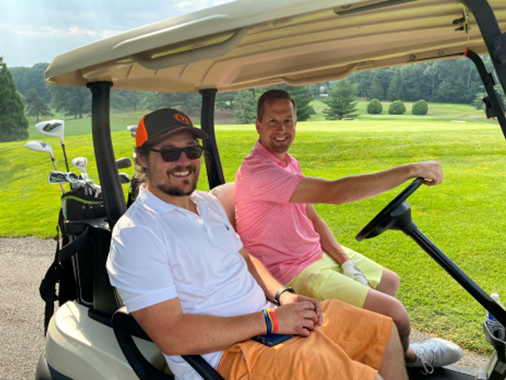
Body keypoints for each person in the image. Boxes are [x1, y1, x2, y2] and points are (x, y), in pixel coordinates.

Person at [106, 108, 409, 380]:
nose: (184, 162)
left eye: (191, 150)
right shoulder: (136, 234)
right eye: (170, 153)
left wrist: (284, 295)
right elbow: (173, 336)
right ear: (142, 158)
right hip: (232, 356)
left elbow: (245, 258)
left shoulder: (206, 205)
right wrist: (270, 320)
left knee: (384, 332)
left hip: (270, 324)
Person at [234, 90, 462, 374]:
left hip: (313, 255)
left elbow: (311, 217)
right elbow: (335, 192)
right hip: (291, 271)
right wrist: (412, 169)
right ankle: (409, 357)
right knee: (398, 316)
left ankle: (379, 353)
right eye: (273, 122)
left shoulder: (288, 162)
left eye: (288, 121)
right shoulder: (259, 171)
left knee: (389, 282)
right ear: (258, 125)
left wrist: (344, 260)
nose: (282, 130)